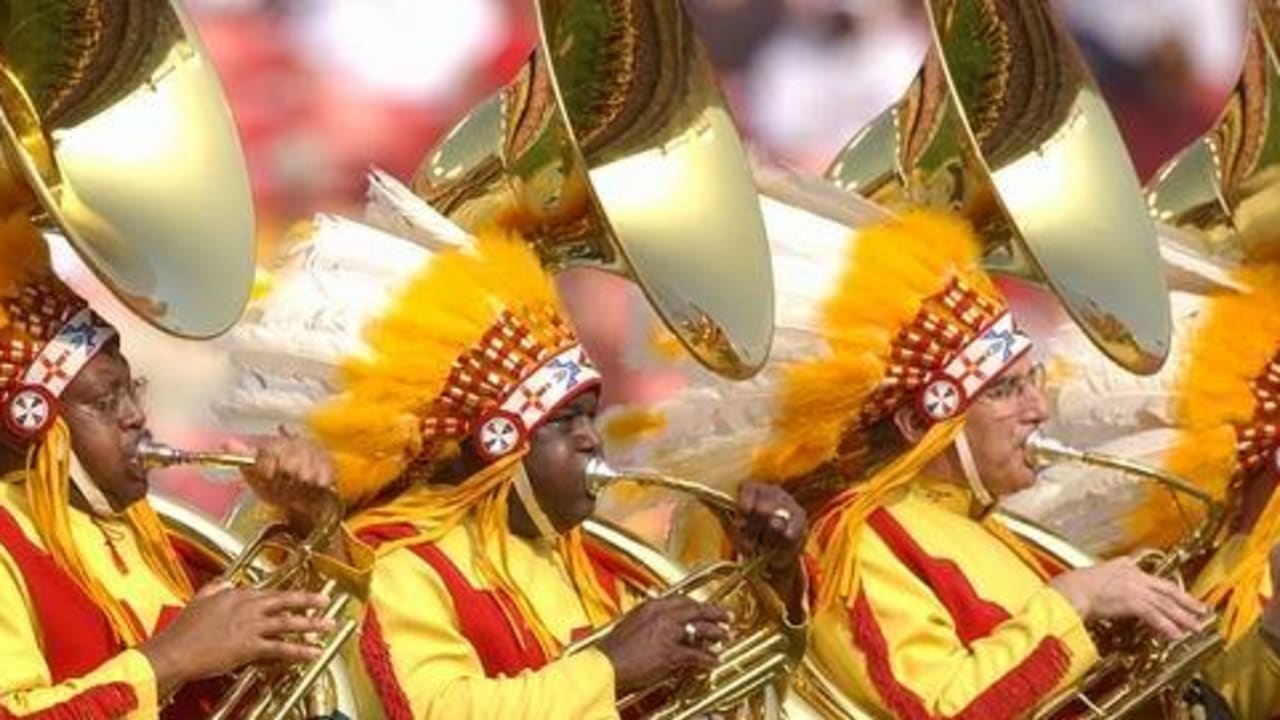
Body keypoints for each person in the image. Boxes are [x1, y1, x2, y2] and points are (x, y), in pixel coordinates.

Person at [603, 208, 1280, 718]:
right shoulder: (858, 537)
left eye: (1033, 384)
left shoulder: (994, 533)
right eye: (1007, 391)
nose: (1038, 412)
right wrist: (1077, 602)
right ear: (924, 420)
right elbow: (937, 707)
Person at [217, 180, 809, 720]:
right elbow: (436, 710)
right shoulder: (399, 562)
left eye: (592, 417)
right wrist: (613, 665)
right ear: (500, 443)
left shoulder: (594, 562)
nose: (590, 438)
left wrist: (773, 579)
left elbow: (738, 685)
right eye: (565, 422)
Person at [0, 214, 342, 718]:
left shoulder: (157, 535)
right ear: (34, 422)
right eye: (105, 400)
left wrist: (311, 520)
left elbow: (315, 651)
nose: (135, 413)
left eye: (131, 387)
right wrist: (170, 659)